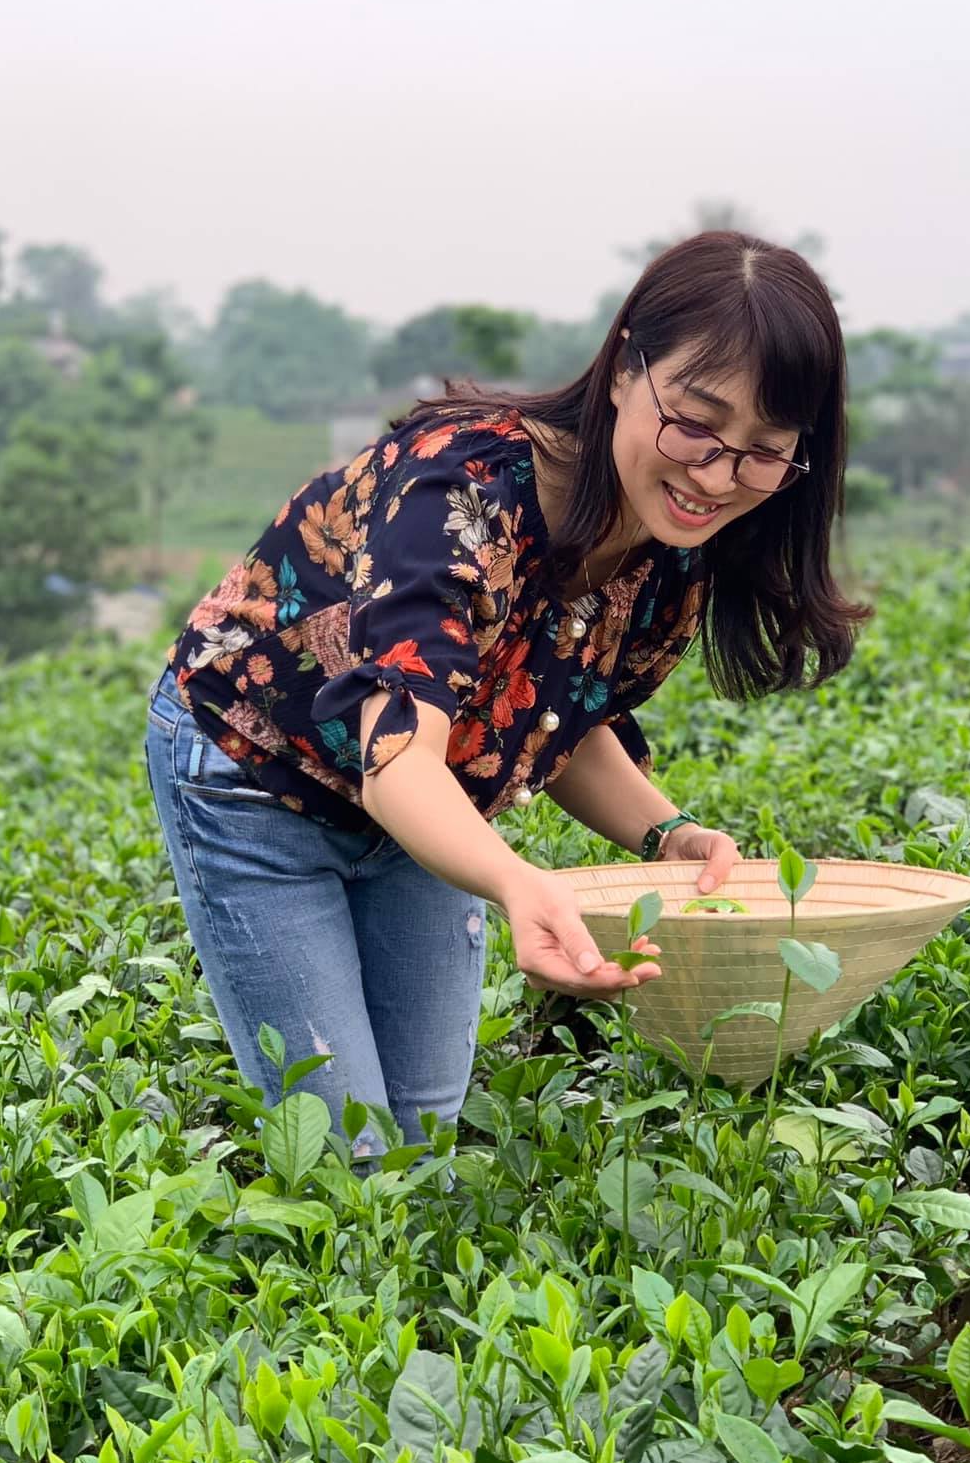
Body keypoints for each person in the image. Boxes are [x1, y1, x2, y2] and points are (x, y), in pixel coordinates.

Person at [144, 231, 869, 1157]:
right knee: (348, 1156)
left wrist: (666, 835)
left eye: (762, 452)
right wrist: (518, 882)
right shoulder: (461, 490)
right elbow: (398, 754)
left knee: (423, 1135)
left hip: (429, 801)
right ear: (622, 369)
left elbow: (547, 713)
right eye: (693, 422)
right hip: (254, 775)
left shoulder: (673, 546)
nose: (714, 477)